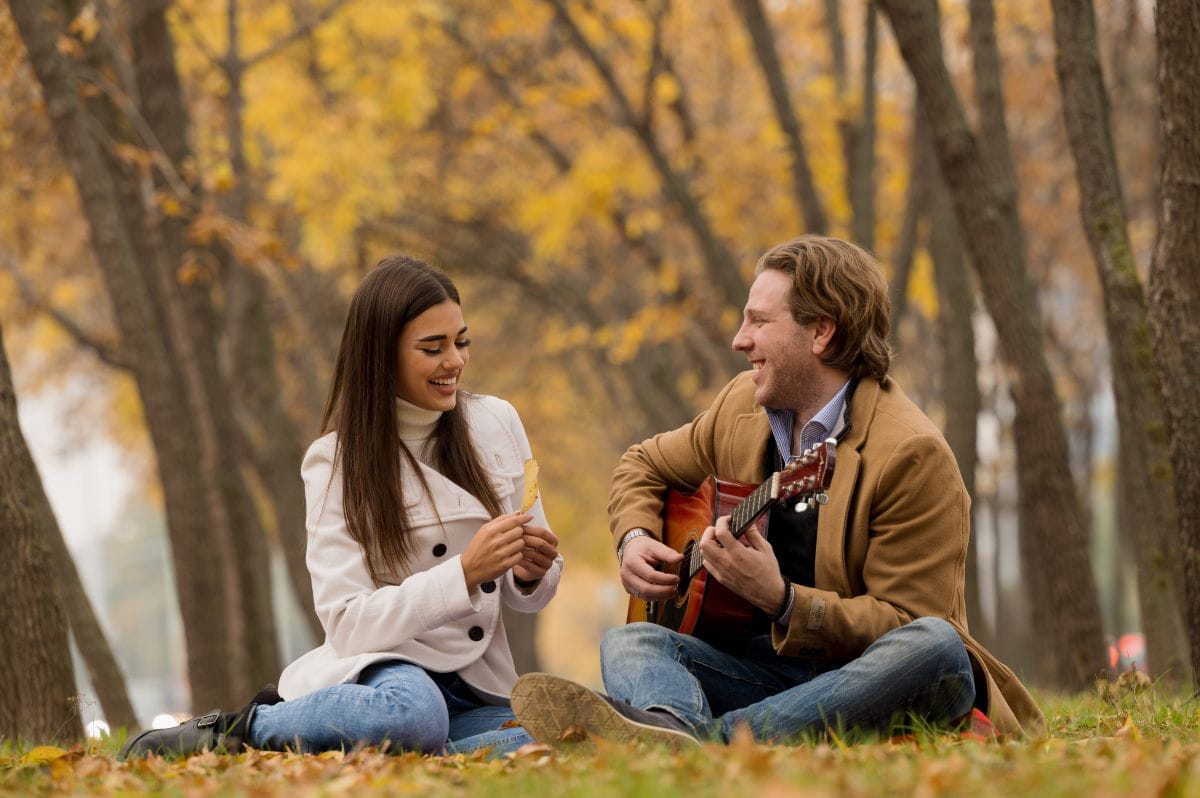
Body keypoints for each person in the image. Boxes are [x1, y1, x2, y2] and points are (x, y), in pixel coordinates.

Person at [512, 235, 1042, 746]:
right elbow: (642, 464)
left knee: (935, 646)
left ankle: (692, 741)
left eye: (759, 321)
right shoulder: (741, 406)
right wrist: (633, 537)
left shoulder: (912, 454)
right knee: (631, 640)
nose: (740, 339)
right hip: (762, 675)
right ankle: (683, 731)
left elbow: (905, 622)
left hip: (865, 679)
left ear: (821, 333)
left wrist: (782, 600)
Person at [122, 256, 562, 758]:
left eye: (460, 342)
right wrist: (462, 571)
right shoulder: (335, 462)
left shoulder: (497, 422)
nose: (455, 361)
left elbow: (533, 595)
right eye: (432, 348)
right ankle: (239, 728)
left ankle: (432, 755)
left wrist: (531, 573)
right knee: (415, 715)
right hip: (387, 674)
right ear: (383, 355)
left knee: (565, 731)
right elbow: (347, 623)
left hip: (480, 679)